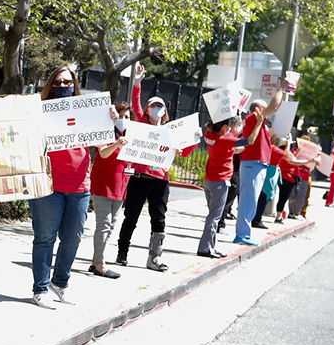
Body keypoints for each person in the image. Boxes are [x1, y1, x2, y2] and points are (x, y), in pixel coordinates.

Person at [115, 64, 193, 272]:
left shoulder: (170, 131)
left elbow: (183, 152)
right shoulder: (141, 124)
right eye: (152, 106)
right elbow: (135, 103)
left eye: (159, 106)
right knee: (130, 217)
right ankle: (122, 253)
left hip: (160, 181)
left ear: (164, 111)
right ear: (148, 110)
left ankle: (154, 258)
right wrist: (138, 82)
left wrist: (194, 140)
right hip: (140, 178)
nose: (156, 109)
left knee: (158, 219)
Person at [29, 66, 91, 309]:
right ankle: (40, 288)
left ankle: (60, 283)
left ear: (74, 84)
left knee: (73, 238)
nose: (62, 86)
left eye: (67, 82)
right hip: (48, 183)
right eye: (58, 81)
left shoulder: (87, 111)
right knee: (44, 239)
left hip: (79, 185)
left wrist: (111, 120)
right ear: (50, 83)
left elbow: (105, 142)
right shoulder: (38, 110)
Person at [234, 79, 290, 245]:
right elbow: (273, 107)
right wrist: (281, 87)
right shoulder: (253, 118)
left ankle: (245, 233)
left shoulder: (260, 122)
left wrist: (284, 92)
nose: (269, 112)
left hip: (257, 164)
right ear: (258, 110)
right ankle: (242, 234)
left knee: (251, 200)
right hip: (253, 163)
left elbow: (275, 107)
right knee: (248, 200)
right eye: (265, 109)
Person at [88, 103, 131, 279]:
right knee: (103, 225)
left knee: (110, 226)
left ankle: (95, 261)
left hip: (120, 187)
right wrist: (117, 143)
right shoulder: (105, 132)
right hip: (103, 185)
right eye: (121, 116)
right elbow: (103, 153)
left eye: (127, 117)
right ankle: (100, 265)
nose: (123, 120)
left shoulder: (130, 136)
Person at [198, 117, 240, 258]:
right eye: (228, 127)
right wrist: (257, 123)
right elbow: (249, 141)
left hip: (209, 179)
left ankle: (211, 246)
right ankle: (205, 248)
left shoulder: (209, 135)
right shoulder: (225, 140)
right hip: (220, 181)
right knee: (214, 217)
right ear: (223, 127)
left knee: (212, 215)